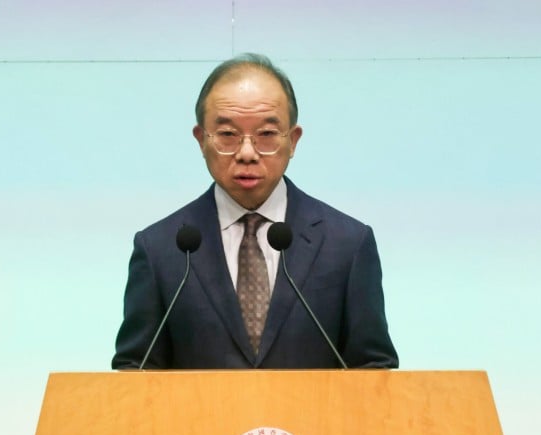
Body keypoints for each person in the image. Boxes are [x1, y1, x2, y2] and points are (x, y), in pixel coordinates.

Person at [112, 54, 398, 369]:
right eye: (227, 135)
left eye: (266, 135)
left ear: (293, 141)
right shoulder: (160, 249)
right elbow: (136, 373)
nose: (247, 153)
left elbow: (372, 370)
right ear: (200, 140)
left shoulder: (347, 244)